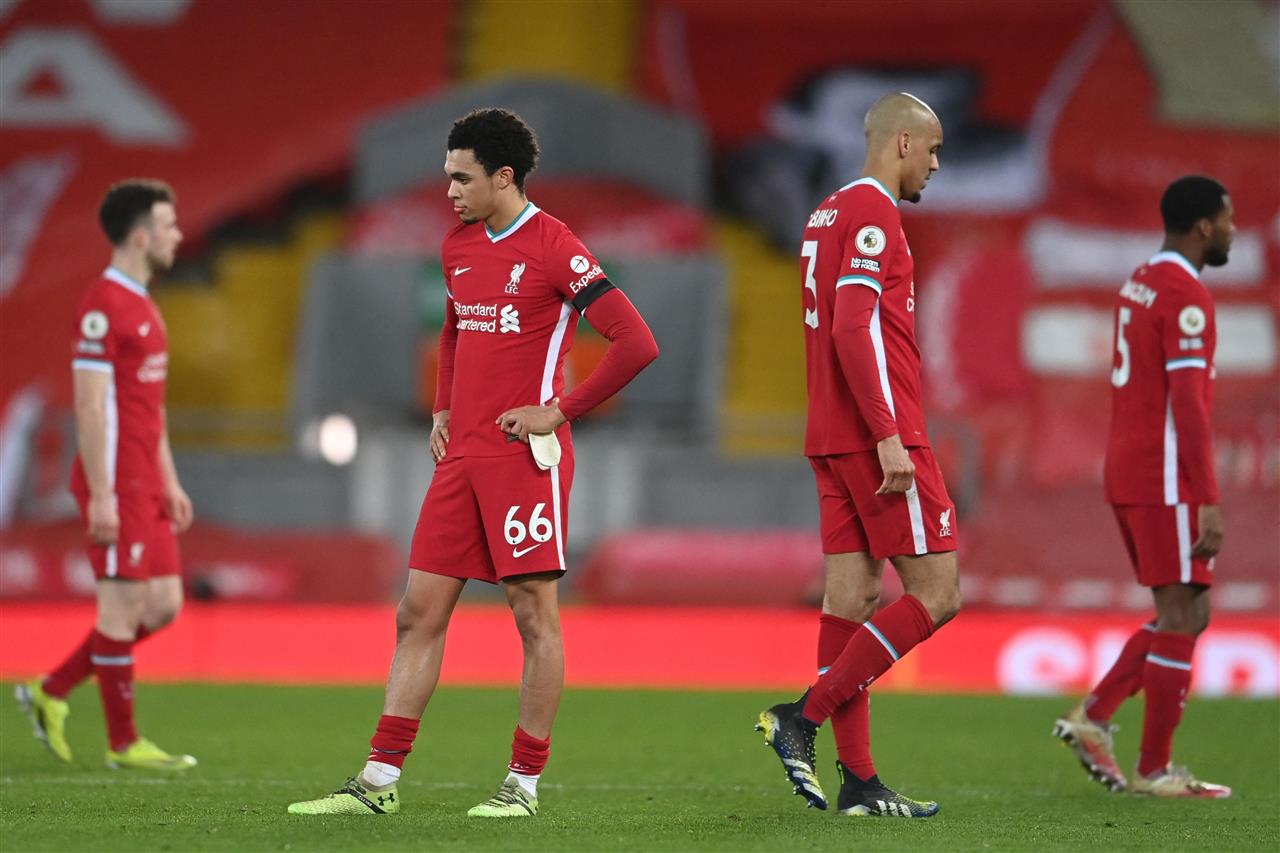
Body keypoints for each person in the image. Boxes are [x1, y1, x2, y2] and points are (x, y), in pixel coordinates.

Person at [289, 108, 659, 818]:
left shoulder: (556, 246)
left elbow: (636, 341)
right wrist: (442, 408)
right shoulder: (457, 245)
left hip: (525, 458)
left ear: (504, 177)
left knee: (532, 616)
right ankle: (377, 781)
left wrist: (561, 410)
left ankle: (523, 784)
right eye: (448, 177)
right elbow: (456, 329)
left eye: (462, 178)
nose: (450, 191)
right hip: (463, 454)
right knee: (417, 611)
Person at [754, 92, 961, 818]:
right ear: (902, 142)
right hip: (878, 436)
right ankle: (802, 717)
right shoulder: (875, 213)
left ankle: (861, 783)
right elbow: (853, 326)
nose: (936, 164)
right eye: (932, 149)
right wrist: (887, 433)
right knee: (938, 593)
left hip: (828, 434)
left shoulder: (826, 212)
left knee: (851, 602)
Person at [1052, 176, 1233, 799]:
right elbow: (1188, 405)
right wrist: (1209, 497)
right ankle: (1154, 770)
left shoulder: (1141, 280)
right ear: (1204, 225)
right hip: (1164, 474)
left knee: (1189, 611)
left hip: (1131, 466)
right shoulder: (1184, 295)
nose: (1233, 229)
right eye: (1227, 218)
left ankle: (1095, 716)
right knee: (1182, 614)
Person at [15, 179, 196, 771]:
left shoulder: (144, 304)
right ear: (140, 237)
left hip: (147, 478)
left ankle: (50, 690)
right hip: (116, 478)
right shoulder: (103, 307)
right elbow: (90, 407)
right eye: (168, 226)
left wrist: (169, 479)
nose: (178, 236)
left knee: (163, 605)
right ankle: (124, 744)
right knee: (119, 610)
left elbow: (150, 406)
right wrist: (100, 495)